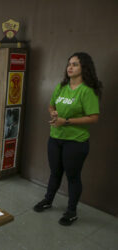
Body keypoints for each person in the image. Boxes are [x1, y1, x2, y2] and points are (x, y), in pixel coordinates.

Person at [33, 52, 102, 226]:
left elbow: (94, 117)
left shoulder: (87, 91)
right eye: (69, 64)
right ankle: (48, 200)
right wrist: (53, 113)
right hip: (55, 138)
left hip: (76, 141)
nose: (70, 67)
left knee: (73, 176)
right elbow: (51, 105)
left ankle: (71, 212)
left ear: (84, 68)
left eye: (75, 64)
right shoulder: (61, 87)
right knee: (55, 173)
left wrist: (67, 121)